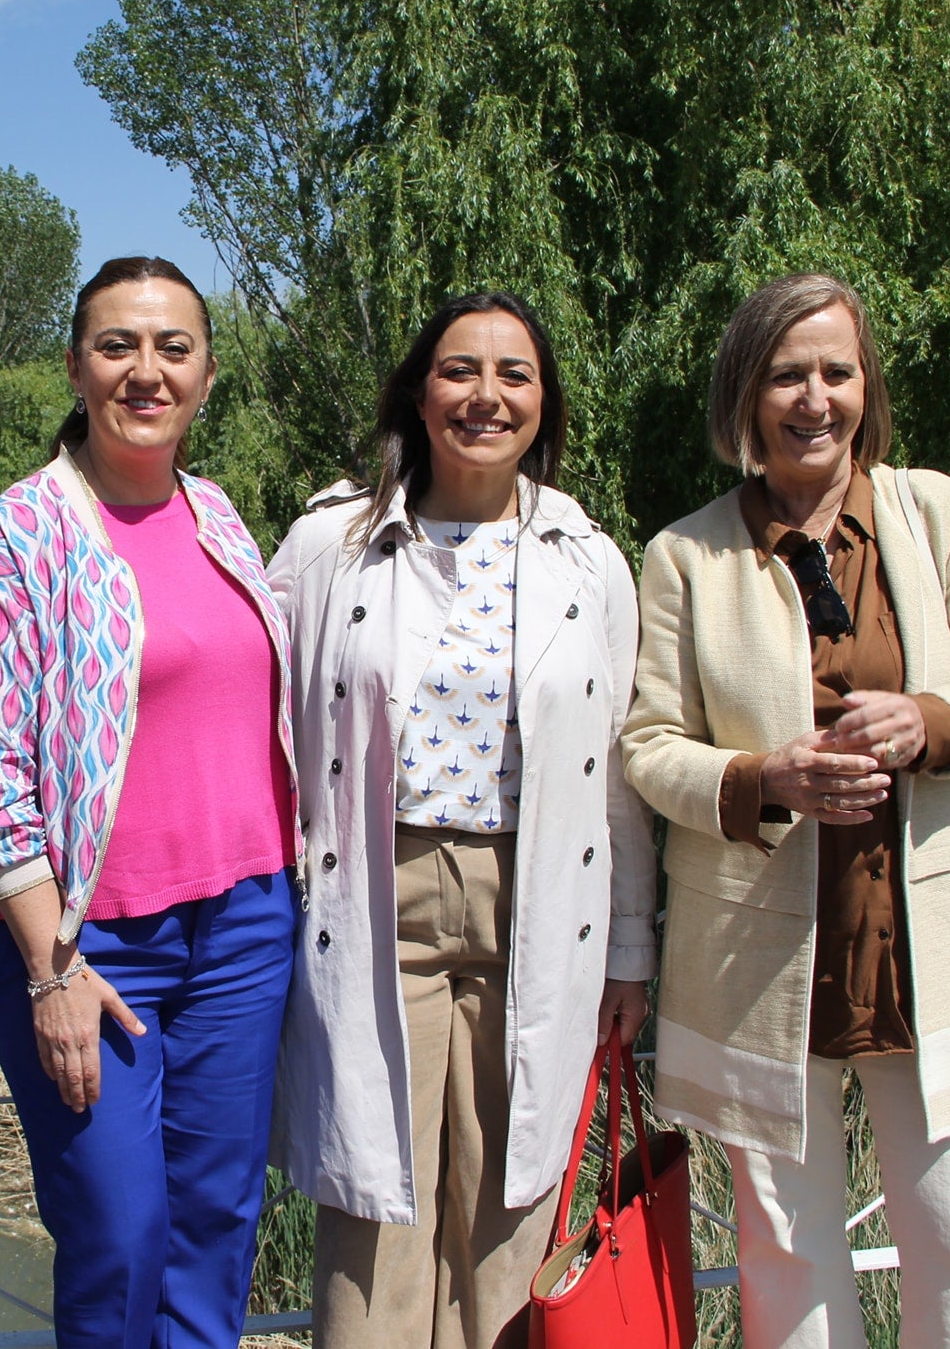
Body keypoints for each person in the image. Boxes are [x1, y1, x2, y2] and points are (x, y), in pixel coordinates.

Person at [621, 272, 950, 1347]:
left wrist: (929, 720)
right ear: (743, 395)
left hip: (928, 945)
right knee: (783, 1252)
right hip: (758, 959)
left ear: (865, 386)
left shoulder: (937, 511)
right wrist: (761, 778)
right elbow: (646, 745)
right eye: (784, 374)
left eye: (834, 370)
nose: (813, 397)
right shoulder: (683, 553)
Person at [267, 292, 658, 1349]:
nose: (485, 396)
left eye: (513, 375)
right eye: (458, 370)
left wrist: (629, 951)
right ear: (416, 388)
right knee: (372, 1199)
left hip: (534, 899)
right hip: (373, 897)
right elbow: (266, 723)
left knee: (511, 1193)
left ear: (542, 401)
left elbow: (617, 767)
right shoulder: (328, 546)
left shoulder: (587, 560)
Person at [0, 256, 301, 1348]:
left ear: (206, 374)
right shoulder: (20, 535)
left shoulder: (220, 516)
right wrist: (50, 967)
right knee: (118, 1231)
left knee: (217, 1222)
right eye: (117, 347)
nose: (145, 373)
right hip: (90, 950)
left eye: (172, 349)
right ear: (75, 365)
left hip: (242, 926)